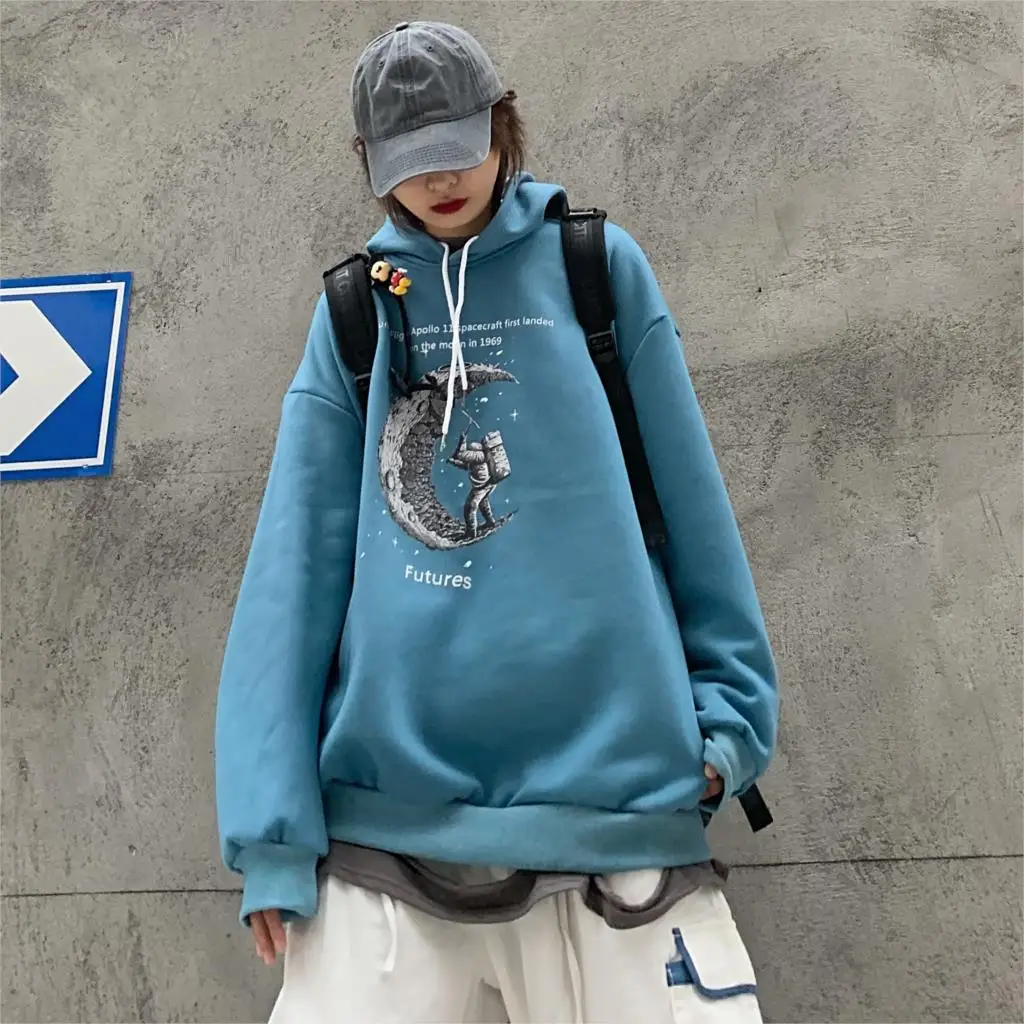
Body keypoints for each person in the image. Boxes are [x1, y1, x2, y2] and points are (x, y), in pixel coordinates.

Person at [215, 19, 779, 1024]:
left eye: (457, 148)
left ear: (502, 124)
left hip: (614, 812)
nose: (439, 179)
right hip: (389, 837)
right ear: (369, 161)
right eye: (409, 160)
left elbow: (691, 506)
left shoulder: (594, 267)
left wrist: (728, 727)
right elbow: (293, 573)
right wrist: (271, 836)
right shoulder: (357, 311)